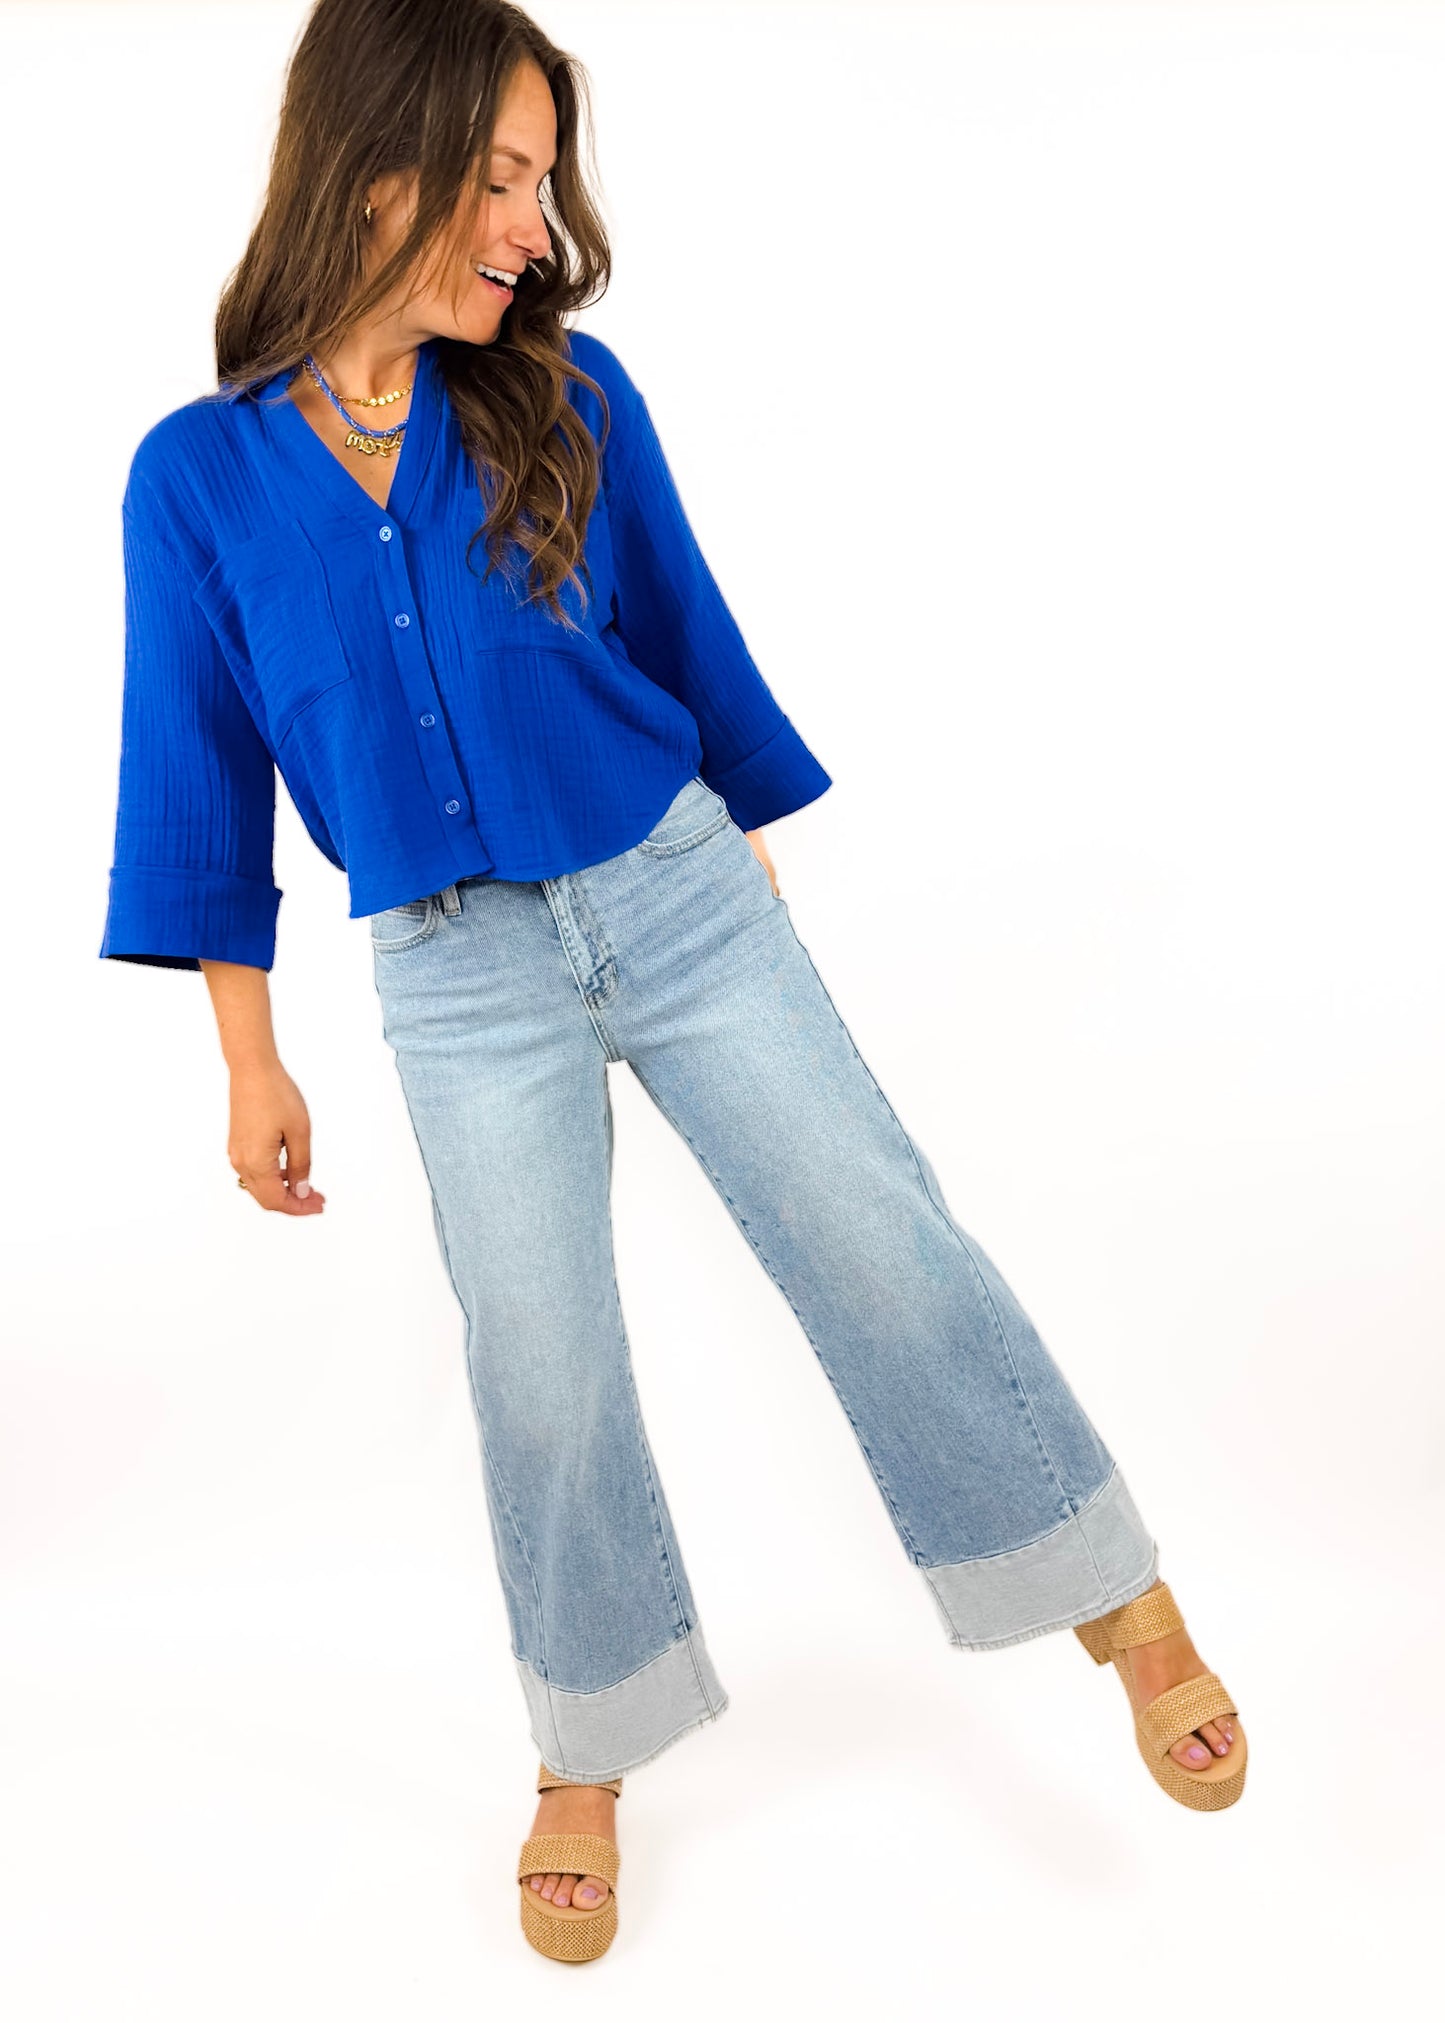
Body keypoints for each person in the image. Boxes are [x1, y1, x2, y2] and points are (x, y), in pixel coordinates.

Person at [97, 0, 1247, 1966]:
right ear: (373, 168)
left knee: (879, 1241)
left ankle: (1112, 1591)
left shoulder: (571, 392)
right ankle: (590, 1744)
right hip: (455, 975)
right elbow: (187, 774)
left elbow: (685, 640)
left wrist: (742, 872)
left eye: (544, 183)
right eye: (501, 179)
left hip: (678, 894)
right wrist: (247, 1059)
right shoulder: (194, 478)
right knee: (538, 1364)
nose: (535, 229)